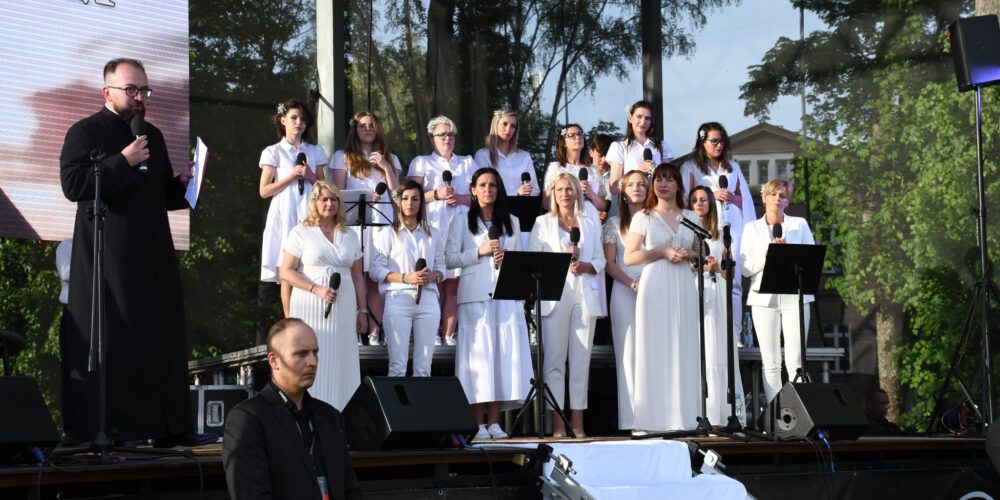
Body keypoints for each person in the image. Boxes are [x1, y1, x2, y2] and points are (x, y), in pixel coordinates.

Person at [58, 58, 203, 446]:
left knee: (162, 333)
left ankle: (171, 427)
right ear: (108, 92)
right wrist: (122, 161)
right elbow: (73, 184)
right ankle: (121, 430)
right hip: (112, 257)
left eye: (144, 90)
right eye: (132, 90)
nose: (140, 98)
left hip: (154, 253)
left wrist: (184, 183)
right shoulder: (85, 131)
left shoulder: (151, 135)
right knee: (119, 337)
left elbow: (160, 195)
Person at [223, 318, 362, 500]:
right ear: (274, 361)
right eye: (301, 354)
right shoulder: (247, 418)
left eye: (315, 352)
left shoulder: (331, 416)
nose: (312, 362)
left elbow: (351, 490)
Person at [445, 167, 532, 441]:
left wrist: (506, 258)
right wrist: (479, 252)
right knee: (478, 361)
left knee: (501, 359)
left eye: (492, 185)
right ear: (473, 190)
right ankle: (476, 423)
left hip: (505, 297)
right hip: (474, 297)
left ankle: (494, 423)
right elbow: (449, 259)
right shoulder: (461, 221)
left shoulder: (513, 221)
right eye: (482, 185)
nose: (487, 190)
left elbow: (520, 259)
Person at [624, 163, 700, 432]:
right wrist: (662, 252)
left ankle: (684, 417)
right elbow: (629, 256)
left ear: (679, 185)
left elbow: (697, 253)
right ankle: (652, 419)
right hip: (654, 283)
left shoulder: (692, 216)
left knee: (683, 344)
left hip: (682, 283)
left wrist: (689, 255)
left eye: (669, 180)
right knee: (654, 346)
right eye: (658, 179)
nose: (663, 184)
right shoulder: (643, 216)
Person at [529, 173, 606, 438]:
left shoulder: (590, 219)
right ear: (552, 193)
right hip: (554, 295)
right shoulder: (542, 223)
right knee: (554, 362)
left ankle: (577, 423)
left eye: (570, 189)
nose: (565, 193)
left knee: (580, 361)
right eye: (560, 189)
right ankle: (558, 425)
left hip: (584, 294)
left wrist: (587, 265)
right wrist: (559, 259)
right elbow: (533, 263)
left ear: (577, 192)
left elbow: (600, 259)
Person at [279, 181, 366, 410]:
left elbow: (358, 277)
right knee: (311, 357)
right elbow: (286, 271)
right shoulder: (300, 231)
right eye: (324, 199)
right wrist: (315, 289)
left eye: (334, 199)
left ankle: (342, 416)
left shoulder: (349, 235)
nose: (329, 203)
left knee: (342, 359)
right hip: (310, 303)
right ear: (314, 202)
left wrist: (363, 311)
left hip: (344, 304)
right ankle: (308, 414)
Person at [328, 111, 401, 346]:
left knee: (376, 277)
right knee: (355, 274)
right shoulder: (343, 156)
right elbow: (338, 191)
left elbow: (398, 193)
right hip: (355, 223)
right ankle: (355, 331)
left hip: (381, 222)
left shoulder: (390, 158)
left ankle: (374, 331)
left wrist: (386, 168)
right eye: (362, 125)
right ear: (355, 129)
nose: (368, 129)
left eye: (372, 125)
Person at [740, 178, 815, 403]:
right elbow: (744, 268)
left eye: (782, 195)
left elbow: (810, 259)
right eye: (773, 194)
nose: (777, 199)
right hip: (764, 299)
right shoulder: (751, 228)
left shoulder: (799, 224)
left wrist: (787, 254)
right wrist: (768, 254)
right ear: (764, 198)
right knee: (770, 362)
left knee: (796, 362)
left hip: (795, 297)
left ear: (788, 201)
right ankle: (776, 418)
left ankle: (799, 417)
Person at [681, 122, 756, 345]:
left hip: (732, 226)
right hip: (706, 227)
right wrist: (711, 195)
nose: (719, 145)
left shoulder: (732, 167)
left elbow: (747, 201)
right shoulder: (690, 168)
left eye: (722, 140)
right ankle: (703, 333)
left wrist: (732, 198)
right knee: (704, 274)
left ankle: (734, 335)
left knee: (732, 280)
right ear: (702, 142)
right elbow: (686, 200)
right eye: (714, 141)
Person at [259, 98, 328, 317]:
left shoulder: (315, 151)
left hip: (309, 209)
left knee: (311, 261)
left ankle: (312, 313)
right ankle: (290, 319)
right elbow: (264, 190)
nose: (299, 123)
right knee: (286, 267)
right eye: (294, 118)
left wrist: (309, 176)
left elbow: (325, 188)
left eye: (303, 119)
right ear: (282, 120)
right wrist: (290, 177)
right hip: (285, 210)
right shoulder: (274, 151)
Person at [370, 180, 445, 377]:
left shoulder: (433, 234)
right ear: (398, 202)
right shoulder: (387, 234)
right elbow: (375, 269)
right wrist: (406, 277)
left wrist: (433, 276)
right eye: (405, 198)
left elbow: (441, 267)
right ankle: (397, 408)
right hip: (397, 298)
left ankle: (421, 408)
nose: (409, 203)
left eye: (415, 199)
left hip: (428, 299)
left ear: (421, 203)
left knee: (423, 368)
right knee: (397, 367)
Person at [409, 116, 474, 346]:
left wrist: (462, 197)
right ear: (431, 138)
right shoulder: (421, 162)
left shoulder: (467, 162)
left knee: (454, 285)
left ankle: (449, 334)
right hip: (432, 229)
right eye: (442, 135)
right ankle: (432, 334)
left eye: (451, 134)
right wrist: (437, 194)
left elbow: (479, 195)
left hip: (459, 228)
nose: (447, 138)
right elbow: (410, 196)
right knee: (434, 283)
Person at [690, 186, 745, 424]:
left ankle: (725, 412)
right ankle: (706, 412)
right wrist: (701, 267)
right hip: (695, 290)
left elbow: (729, 269)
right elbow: (685, 264)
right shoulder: (686, 231)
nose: (699, 203)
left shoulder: (721, 233)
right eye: (694, 200)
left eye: (703, 199)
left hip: (719, 290)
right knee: (704, 348)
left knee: (721, 348)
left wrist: (718, 268)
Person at [601, 170, 648, 431]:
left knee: (652, 353)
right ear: (624, 190)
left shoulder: (656, 221)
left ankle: (656, 417)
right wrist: (631, 283)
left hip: (653, 292)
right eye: (632, 185)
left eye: (642, 184)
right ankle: (632, 419)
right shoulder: (613, 224)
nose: (637, 189)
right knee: (628, 354)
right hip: (623, 289)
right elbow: (609, 264)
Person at [542, 124, 606, 227]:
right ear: (563, 142)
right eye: (572, 135)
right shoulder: (555, 168)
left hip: (590, 222)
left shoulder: (594, 170)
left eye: (580, 134)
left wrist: (591, 194)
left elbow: (603, 205)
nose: (578, 137)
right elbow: (546, 203)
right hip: (564, 223)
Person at [608, 100, 674, 195]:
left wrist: (656, 171)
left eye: (647, 118)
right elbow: (614, 188)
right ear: (630, 118)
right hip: (632, 204)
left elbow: (670, 181)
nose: (643, 122)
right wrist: (636, 173)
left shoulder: (662, 146)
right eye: (639, 117)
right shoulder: (619, 147)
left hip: (657, 203)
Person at [473, 109, 540, 197]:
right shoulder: (483, 155)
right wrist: (516, 194)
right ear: (495, 125)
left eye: (513, 126)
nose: (508, 129)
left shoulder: (524, 157)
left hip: (521, 208)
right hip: (495, 209)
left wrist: (526, 192)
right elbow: (481, 190)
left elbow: (535, 190)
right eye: (505, 124)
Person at [589, 133, 615, 221]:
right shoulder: (582, 174)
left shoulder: (618, 176)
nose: (603, 160)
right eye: (600, 156)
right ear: (591, 152)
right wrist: (592, 212)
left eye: (607, 156)